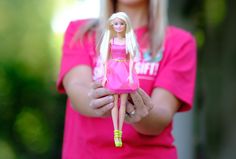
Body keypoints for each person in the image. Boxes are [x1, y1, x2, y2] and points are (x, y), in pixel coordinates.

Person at [57, 0, 196, 158]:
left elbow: (162, 114)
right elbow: (77, 88)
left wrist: (139, 109)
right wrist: (99, 99)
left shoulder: (180, 42)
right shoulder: (81, 33)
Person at [100, 12, 140, 147]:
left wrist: (130, 74)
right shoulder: (111, 41)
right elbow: (105, 60)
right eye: (116, 23)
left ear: (125, 25)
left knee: (122, 103)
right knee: (113, 103)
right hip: (113, 70)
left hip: (123, 70)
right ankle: (115, 130)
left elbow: (132, 60)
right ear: (112, 25)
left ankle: (119, 133)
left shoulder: (128, 40)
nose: (119, 26)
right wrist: (105, 75)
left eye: (121, 23)